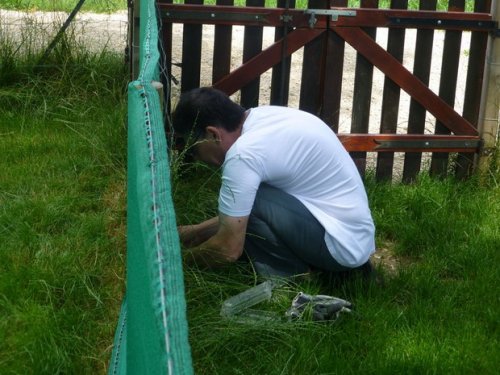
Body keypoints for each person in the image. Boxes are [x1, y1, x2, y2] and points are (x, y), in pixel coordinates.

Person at [173, 87, 376, 279]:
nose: (197, 159)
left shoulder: (243, 156)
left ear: (213, 134)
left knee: (255, 199)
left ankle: (287, 281)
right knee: (254, 199)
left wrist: (178, 264)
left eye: (193, 149)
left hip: (339, 247)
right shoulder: (263, 118)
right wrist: (195, 232)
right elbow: (247, 216)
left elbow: (228, 248)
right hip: (352, 237)